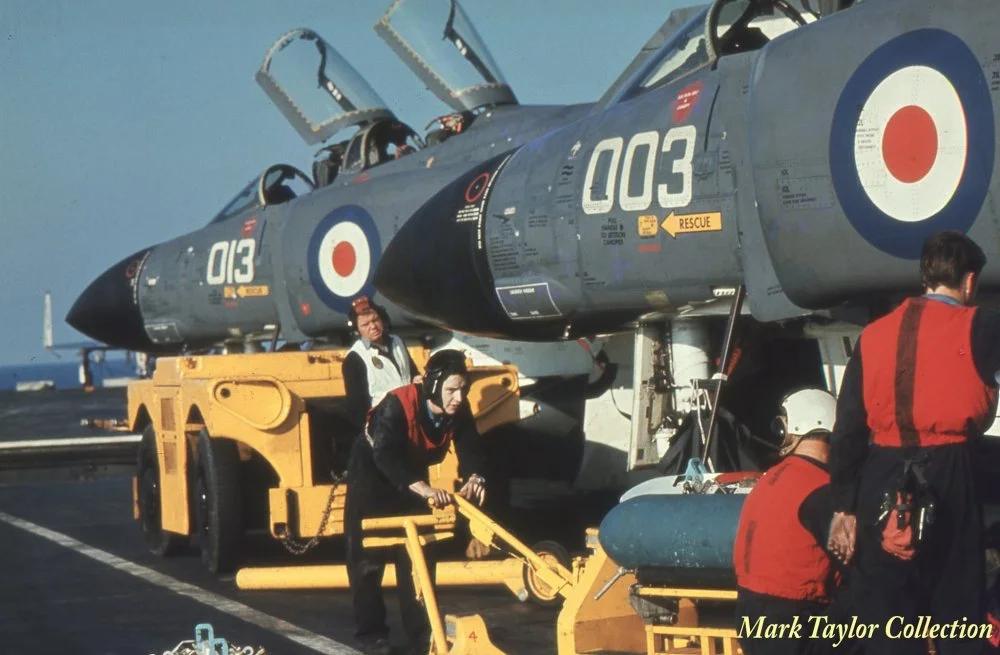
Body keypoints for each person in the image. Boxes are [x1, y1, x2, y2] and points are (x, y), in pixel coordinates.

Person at [828, 231, 1000, 655]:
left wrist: (844, 507)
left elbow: (847, 428)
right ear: (969, 282)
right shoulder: (982, 325)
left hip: (880, 476)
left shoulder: (872, 336)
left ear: (925, 277)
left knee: (886, 618)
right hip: (951, 473)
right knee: (958, 613)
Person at [344, 349, 487, 655]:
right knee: (368, 560)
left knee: (419, 556)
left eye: (463, 389)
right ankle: (372, 634)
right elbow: (384, 453)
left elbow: (471, 445)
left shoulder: (456, 409)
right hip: (372, 477)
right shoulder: (397, 403)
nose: (458, 398)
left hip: (410, 478)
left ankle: (424, 634)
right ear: (433, 386)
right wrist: (423, 489)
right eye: (451, 389)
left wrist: (475, 476)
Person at [734, 388, 856, 655]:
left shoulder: (771, 479)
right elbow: (858, 565)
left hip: (751, 619)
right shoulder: (821, 489)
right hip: (795, 624)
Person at [342, 295, 422, 435]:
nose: (373, 326)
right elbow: (356, 406)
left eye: (375, 320)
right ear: (357, 330)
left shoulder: (397, 342)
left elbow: (412, 372)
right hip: (384, 428)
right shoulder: (354, 358)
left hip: (411, 420)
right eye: (365, 325)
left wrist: (417, 379)